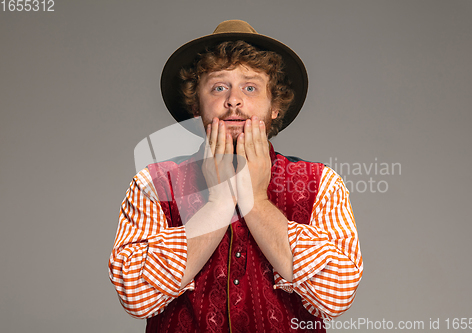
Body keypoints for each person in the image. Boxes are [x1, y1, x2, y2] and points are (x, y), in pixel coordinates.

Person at [109, 20, 363, 333]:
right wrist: (218, 203)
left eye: (250, 87)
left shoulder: (320, 182)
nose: (234, 100)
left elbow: (335, 297)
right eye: (219, 87)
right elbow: (137, 297)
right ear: (195, 107)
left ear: (274, 107)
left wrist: (255, 199)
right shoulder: (153, 184)